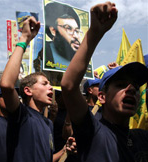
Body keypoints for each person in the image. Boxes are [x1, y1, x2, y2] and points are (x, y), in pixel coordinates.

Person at [61, 2, 148, 161]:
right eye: (121, 85)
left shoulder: (142, 138)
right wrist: (94, 33)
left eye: (135, 87)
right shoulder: (93, 132)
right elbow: (69, 86)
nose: (131, 89)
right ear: (102, 97)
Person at [0, 16, 76, 162]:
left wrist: (64, 149)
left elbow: (46, 159)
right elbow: (7, 85)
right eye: (44, 83)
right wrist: (24, 39)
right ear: (28, 91)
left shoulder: (48, 123)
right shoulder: (21, 115)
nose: (51, 88)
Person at [44, 2, 82, 71]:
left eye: (77, 31)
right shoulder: (43, 53)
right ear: (53, 30)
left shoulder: (83, 62)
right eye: (69, 29)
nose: (76, 36)